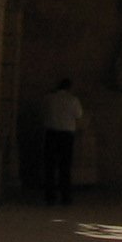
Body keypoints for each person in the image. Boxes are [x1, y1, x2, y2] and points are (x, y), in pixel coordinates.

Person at [41, 78, 84, 206]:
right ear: (69, 87)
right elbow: (79, 115)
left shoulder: (49, 98)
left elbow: (43, 111)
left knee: (50, 165)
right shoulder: (73, 100)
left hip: (51, 133)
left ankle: (50, 196)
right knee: (65, 166)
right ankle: (65, 196)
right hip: (66, 135)